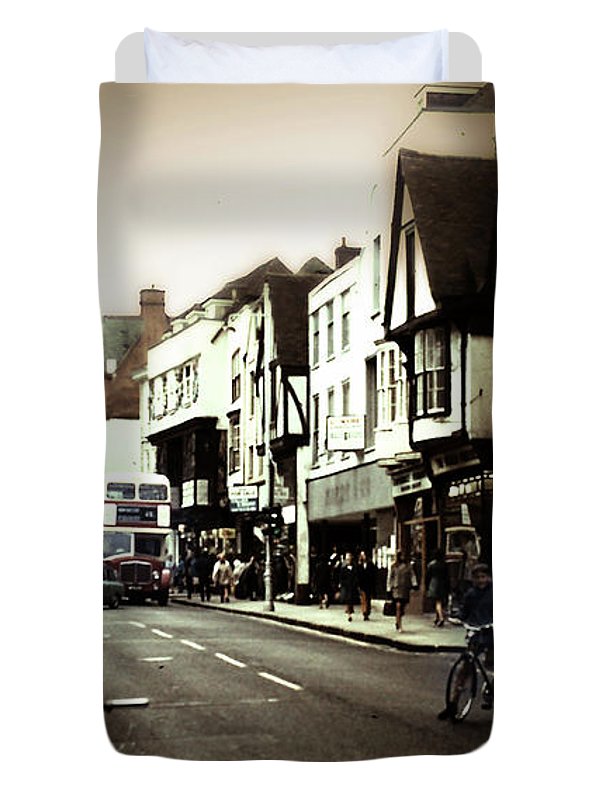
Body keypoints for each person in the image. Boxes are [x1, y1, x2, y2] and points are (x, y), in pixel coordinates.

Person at [437, 562, 494, 720]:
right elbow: (464, 612)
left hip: (492, 634)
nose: (481, 580)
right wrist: (456, 617)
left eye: (483, 577)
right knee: (464, 668)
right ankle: (453, 705)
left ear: (488, 578)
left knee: (492, 663)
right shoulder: (471, 594)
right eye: (477, 578)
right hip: (476, 633)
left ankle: (491, 690)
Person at [389, 552, 414, 632]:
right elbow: (390, 577)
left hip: (405, 589)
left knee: (402, 607)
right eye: (401, 555)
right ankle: (399, 624)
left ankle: (397, 620)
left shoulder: (408, 566)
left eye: (403, 555)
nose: (402, 557)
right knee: (398, 606)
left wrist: (414, 584)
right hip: (396, 589)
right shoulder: (394, 566)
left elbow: (412, 575)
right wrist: (389, 588)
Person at [426, 549, 449, 627]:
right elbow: (447, 576)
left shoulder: (431, 565)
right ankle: (437, 618)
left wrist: (426, 586)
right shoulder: (444, 564)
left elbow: (428, 576)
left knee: (437, 602)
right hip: (442, 583)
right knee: (440, 601)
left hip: (434, 583)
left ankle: (441, 617)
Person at [338, 552, 359, 622]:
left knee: (351, 599)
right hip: (346, 586)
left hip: (352, 586)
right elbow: (341, 578)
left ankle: (350, 610)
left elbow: (356, 577)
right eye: (347, 559)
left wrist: (356, 583)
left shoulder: (355, 568)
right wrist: (341, 584)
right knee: (347, 599)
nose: (348, 560)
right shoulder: (343, 569)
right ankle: (349, 612)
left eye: (349, 559)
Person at [356, 550, 377, 621]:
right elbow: (357, 575)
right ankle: (364, 612)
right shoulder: (359, 565)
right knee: (363, 599)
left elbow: (373, 575)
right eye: (361, 555)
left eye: (364, 555)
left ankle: (367, 612)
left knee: (368, 599)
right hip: (362, 585)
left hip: (369, 585)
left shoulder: (371, 564)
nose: (363, 557)